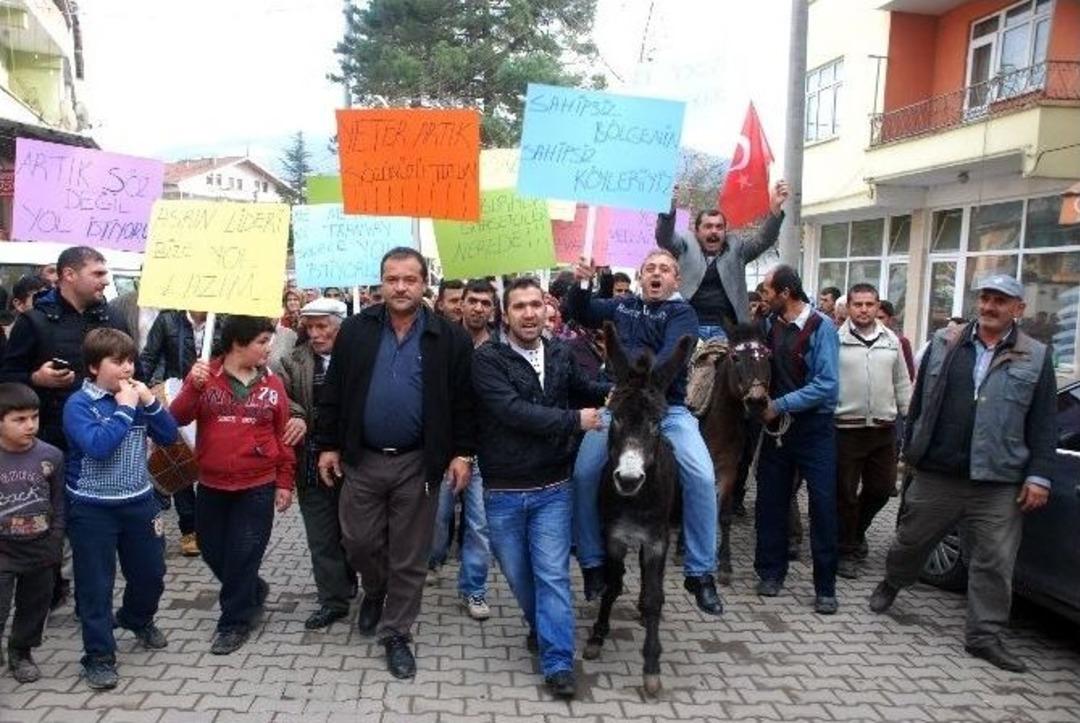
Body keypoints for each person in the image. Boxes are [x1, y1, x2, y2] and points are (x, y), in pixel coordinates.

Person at [868, 275, 1055, 673]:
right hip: (940, 472)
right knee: (911, 542)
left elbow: (1043, 423)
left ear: (1018, 309)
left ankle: (984, 636)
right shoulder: (946, 342)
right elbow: (919, 402)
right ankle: (893, 582)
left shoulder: (1035, 356)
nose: (989, 307)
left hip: (999, 480)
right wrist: (910, 452)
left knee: (995, 561)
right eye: (985, 298)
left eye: (1000, 301)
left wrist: (1038, 475)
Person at [316, 247, 475, 680]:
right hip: (361, 460)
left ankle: (396, 632)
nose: (400, 287)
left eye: (409, 279)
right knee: (359, 542)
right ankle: (374, 589)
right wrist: (327, 444)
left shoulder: (449, 337)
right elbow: (333, 392)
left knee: (409, 554)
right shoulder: (355, 330)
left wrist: (461, 453)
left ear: (425, 284)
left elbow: (463, 403)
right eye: (392, 279)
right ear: (380, 283)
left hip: (418, 463)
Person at [566, 250, 723, 614]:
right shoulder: (622, 307)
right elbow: (581, 310)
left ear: (676, 280)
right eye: (650, 268)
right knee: (584, 472)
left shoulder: (682, 313)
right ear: (639, 276)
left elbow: (672, 354)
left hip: (668, 410)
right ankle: (592, 563)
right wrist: (583, 283)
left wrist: (635, 378)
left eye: (664, 269)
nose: (656, 274)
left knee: (701, 477)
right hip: (618, 410)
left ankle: (700, 573)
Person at [473, 277, 606, 698]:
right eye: (519, 307)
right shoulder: (488, 360)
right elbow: (513, 411)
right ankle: (543, 625)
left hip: (553, 486)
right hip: (503, 491)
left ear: (547, 310)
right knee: (518, 577)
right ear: (504, 313)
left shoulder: (562, 353)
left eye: (536, 305)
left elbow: (588, 390)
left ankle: (558, 662)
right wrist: (574, 420)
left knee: (551, 576)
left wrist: (627, 388)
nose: (529, 314)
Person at [0, 246, 131, 609]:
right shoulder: (35, 322)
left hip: (101, 441)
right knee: (52, 522)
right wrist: (36, 378)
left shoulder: (112, 317)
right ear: (69, 275)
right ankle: (49, 588)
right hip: (51, 441)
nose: (106, 282)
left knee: (90, 531)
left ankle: (90, 599)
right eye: (99, 274)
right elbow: (8, 379)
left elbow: (129, 367)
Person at [170, 315, 295, 656]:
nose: (268, 349)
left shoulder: (273, 385)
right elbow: (176, 418)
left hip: (258, 485)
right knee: (211, 549)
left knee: (243, 552)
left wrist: (285, 481)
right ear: (238, 343)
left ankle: (234, 621)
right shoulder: (204, 376)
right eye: (262, 342)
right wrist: (192, 387)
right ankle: (252, 588)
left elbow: (283, 436)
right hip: (211, 483)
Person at [63, 328, 179, 690]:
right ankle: (98, 656)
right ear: (95, 367)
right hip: (92, 507)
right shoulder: (79, 405)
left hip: (139, 502)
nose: (127, 368)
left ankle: (137, 618)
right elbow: (98, 446)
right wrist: (127, 408)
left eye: (130, 360)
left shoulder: (134, 396)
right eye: (118, 361)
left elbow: (169, 435)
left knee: (151, 572)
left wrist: (151, 403)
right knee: (95, 585)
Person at [756, 265, 840, 614]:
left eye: (767, 291)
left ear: (785, 293)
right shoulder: (770, 325)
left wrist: (780, 404)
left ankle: (825, 587)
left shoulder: (822, 328)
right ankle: (771, 573)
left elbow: (826, 385)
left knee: (822, 506)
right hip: (777, 432)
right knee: (770, 501)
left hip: (814, 430)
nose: (763, 297)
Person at [273, 298, 356, 630]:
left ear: (340, 326)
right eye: (311, 327)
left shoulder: (358, 359)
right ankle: (332, 600)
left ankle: (353, 580)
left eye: (324, 326)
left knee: (355, 534)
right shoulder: (291, 361)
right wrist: (298, 416)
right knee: (321, 535)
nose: (316, 334)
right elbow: (283, 399)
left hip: (354, 464)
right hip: (310, 462)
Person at [834, 284, 911, 580]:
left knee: (881, 490)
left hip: (883, 430)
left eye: (869, 304)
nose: (864, 310)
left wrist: (909, 416)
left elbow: (902, 382)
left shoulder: (891, 340)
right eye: (858, 304)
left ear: (878, 307)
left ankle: (856, 532)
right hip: (845, 429)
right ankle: (846, 550)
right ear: (849, 308)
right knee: (845, 494)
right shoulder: (835, 339)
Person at [429, 279, 493, 621]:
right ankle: (432, 562)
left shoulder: (500, 348)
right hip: (446, 449)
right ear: (460, 304)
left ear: (493, 309)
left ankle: (474, 589)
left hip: (484, 451)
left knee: (479, 525)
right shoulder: (442, 342)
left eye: (485, 302)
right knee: (437, 520)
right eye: (472, 301)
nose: (478, 308)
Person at [656, 180, 789, 340]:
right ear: (696, 231)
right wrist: (669, 209)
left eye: (719, 227)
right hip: (688, 327)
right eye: (708, 226)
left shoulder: (737, 249)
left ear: (725, 231)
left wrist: (775, 211)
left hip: (726, 330)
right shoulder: (685, 245)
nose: (714, 232)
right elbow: (664, 237)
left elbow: (763, 240)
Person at [0, 383, 64, 683]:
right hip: (3, 550)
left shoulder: (50, 456)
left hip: (40, 547)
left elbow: (58, 503)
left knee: (34, 605)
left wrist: (55, 543)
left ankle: (21, 652)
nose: (30, 426)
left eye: (34, 417)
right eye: (19, 419)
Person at [139, 308, 213, 558]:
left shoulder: (223, 320)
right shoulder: (168, 319)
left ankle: (210, 526)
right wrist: (137, 389)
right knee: (178, 460)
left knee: (209, 464)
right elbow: (149, 356)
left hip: (214, 401)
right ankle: (189, 528)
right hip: (177, 397)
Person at [877, 300, 915, 380]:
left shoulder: (901, 342)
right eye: (873, 318)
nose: (876, 322)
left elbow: (909, 375)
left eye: (880, 318)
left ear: (891, 320)